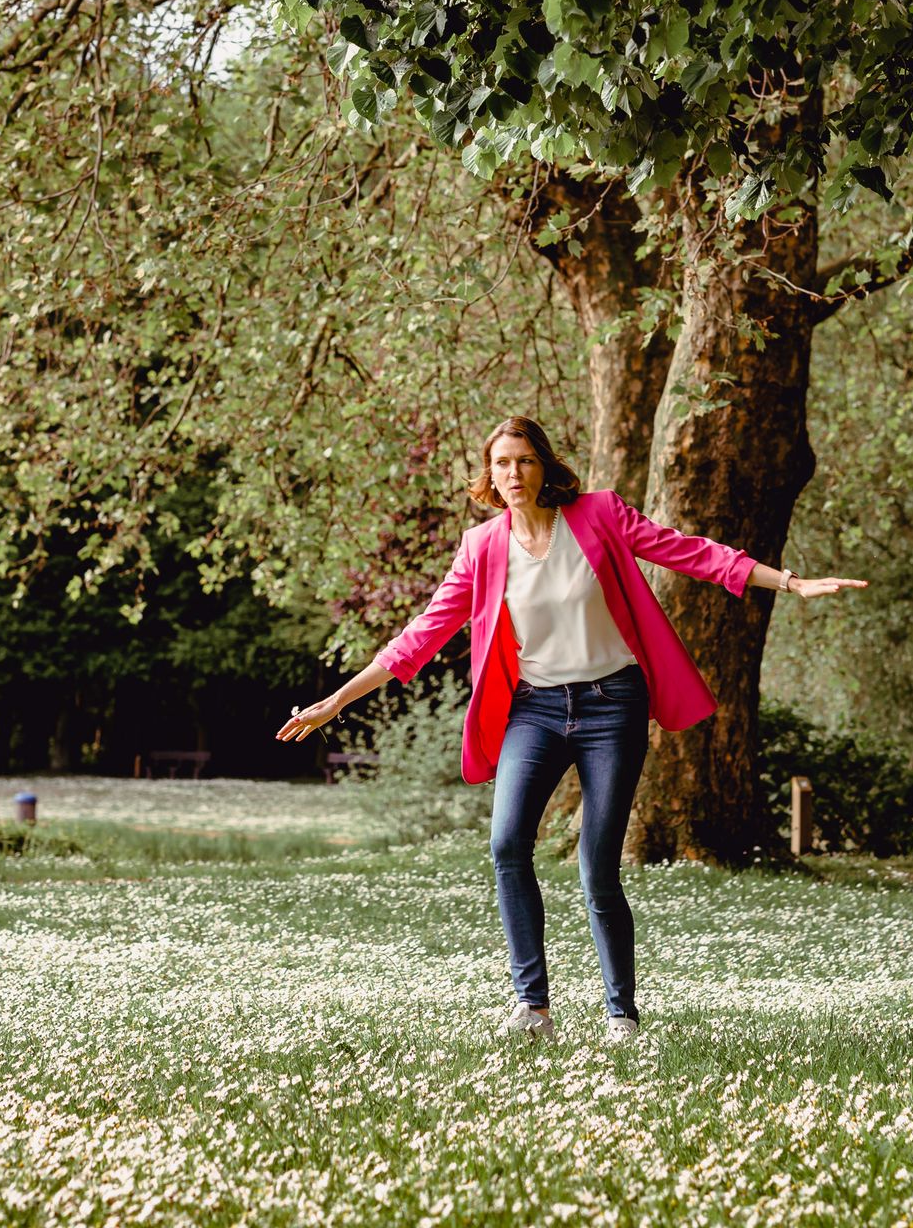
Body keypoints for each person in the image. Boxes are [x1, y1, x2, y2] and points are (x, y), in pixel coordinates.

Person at [276, 416, 867, 1041]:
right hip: (534, 710)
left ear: (544, 466)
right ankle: (533, 1008)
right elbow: (420, 637)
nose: (514, 474)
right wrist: (334, 703)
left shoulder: (598, 515)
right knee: (507, 844)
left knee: (597, 867)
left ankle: (621, 1013)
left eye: (525, 461)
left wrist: (788, 581)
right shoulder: (482, 549)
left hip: (613, 704)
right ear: (489, 475)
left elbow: (688, 551)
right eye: (502, 463)